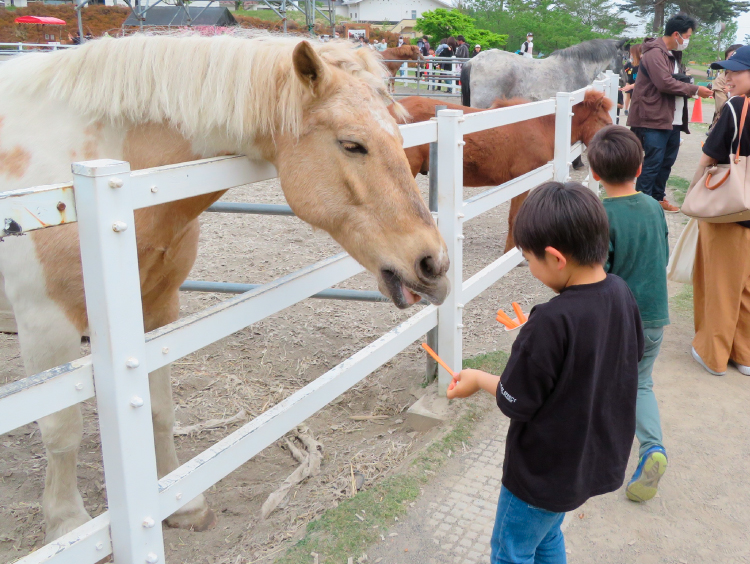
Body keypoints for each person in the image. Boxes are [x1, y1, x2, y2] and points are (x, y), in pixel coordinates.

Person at [447, 182, 643, 563]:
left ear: (555, 258)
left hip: (541, 475)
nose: (531, 269)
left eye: (529, 259)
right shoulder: (621, 292)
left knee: (511, 550)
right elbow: (631, 354)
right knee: (548, 535)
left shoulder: (550, 321)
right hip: (586, 462)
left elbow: (515, 400)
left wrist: (477, 379)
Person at [588, 125, 670, 502]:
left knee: (604, 379)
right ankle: (652, 448)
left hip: (621, 321)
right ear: (640, 168)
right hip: (655, 315)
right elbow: (662, 257)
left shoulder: (601, 215)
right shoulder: (654, 206)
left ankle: (598, 450)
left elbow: (599, 273)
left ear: (595, 173)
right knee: (641, 382)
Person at [691, 44, 750, 377]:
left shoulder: (736, 106)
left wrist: (696, 195)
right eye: (727, 71)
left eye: (736, 71)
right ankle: (744, 354)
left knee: (720, 284)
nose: (728, 78)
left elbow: (708, 156)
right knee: (746, 288)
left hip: (730, 210)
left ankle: (712, 354)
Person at [627, 14, 712, 213]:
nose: (688, 40)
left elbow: (673, 78)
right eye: (687, 36)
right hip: (652, 118)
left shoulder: (672, 54)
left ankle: (657, 198)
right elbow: (664, 83)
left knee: (666, 161)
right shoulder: (655, 53)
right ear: (676, 34)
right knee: (653, 162)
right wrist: (695, 90)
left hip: (670, 118)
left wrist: (687, 82)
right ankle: (642, 205)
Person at [710, 44, 743, 130]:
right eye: (730, 58)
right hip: (726, 126)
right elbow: (723, 108)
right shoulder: (721, 80)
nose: (728, 78)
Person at [622, 44, 642, 116]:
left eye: (632, 53)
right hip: (629, 83)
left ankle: (634, 110)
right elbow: (623, 72)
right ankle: (626, 109)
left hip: (637, 84)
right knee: (628, 96)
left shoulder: (642, 65)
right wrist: (626, 82)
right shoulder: (628, 65)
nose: (631, 55)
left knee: (635, 97)